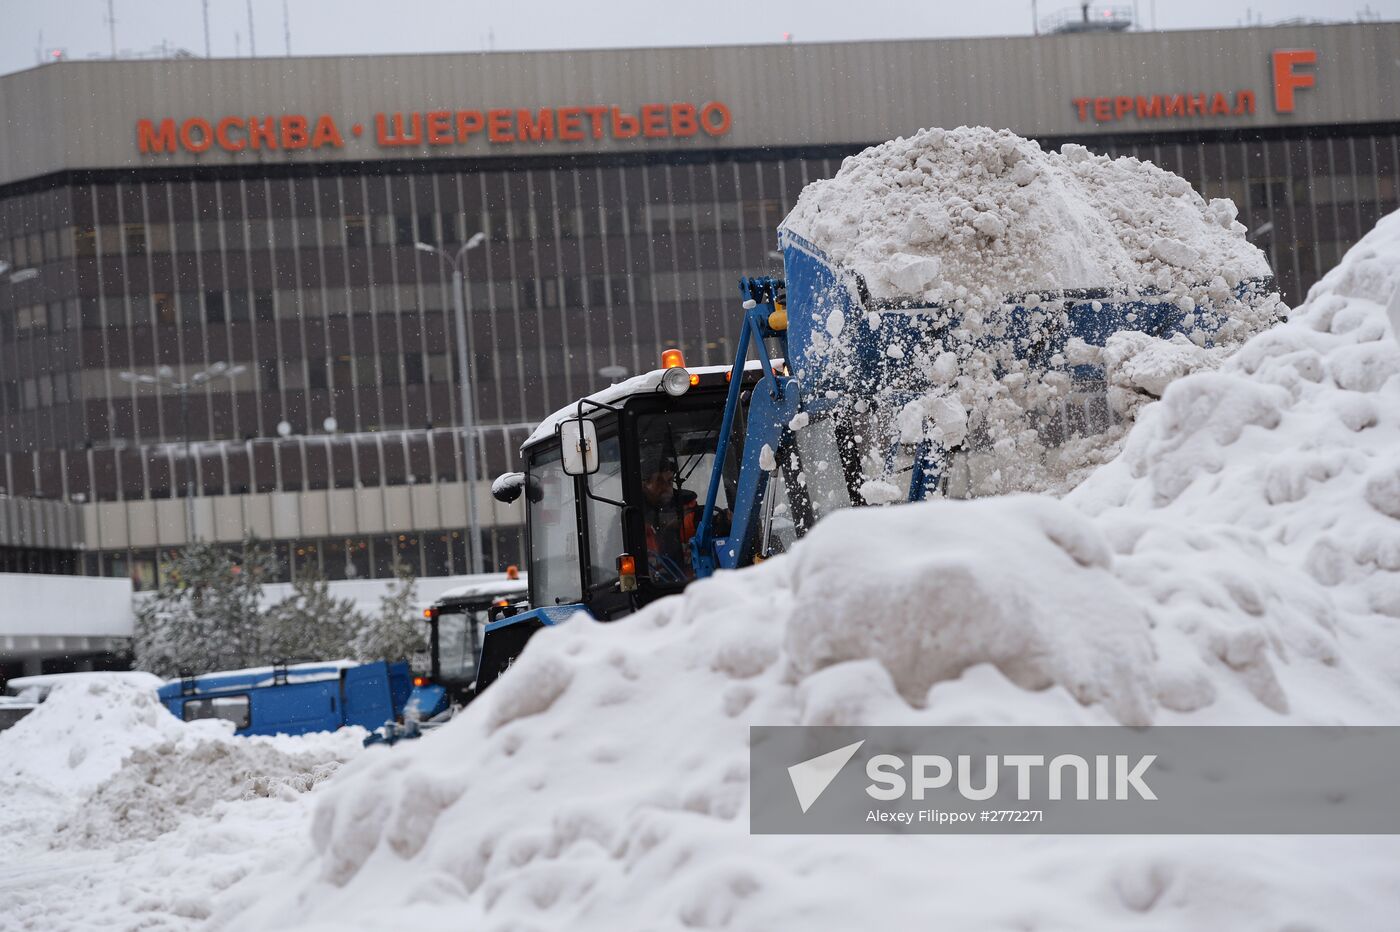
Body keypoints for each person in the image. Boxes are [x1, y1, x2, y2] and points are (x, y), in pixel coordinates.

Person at [640, 456, 701, 583]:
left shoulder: (693, 514)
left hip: (695, 588)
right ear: (644, 484)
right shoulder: (631, 521)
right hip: (650, 592)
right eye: (659, 482)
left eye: (669, 481)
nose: (667, 488)